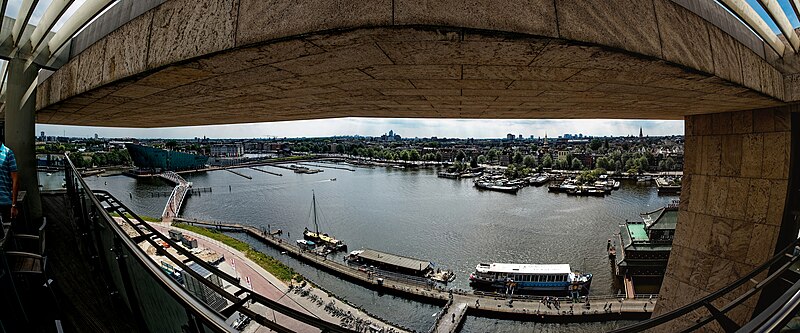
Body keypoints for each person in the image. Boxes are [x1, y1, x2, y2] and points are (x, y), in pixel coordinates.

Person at [0, 137, 18, 227]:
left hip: (5, 203)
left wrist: (14, 205)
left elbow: (15, 180)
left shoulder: (8, 153)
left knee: (7, 235)